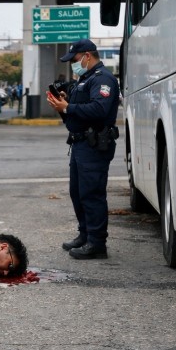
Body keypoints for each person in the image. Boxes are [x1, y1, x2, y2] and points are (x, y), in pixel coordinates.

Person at [47, 39, 120, 259]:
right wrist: (64, 104)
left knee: (92, 194)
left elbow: (99, 108)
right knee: (78, 192)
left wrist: (68, 107)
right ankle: (85, 234)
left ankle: (97, 243)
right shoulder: (85, 79)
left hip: (94, 144)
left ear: (87, 56)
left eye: (75, 59)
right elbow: (80, 110)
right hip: (79, 143)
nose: (73, 64)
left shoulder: (103, 79)